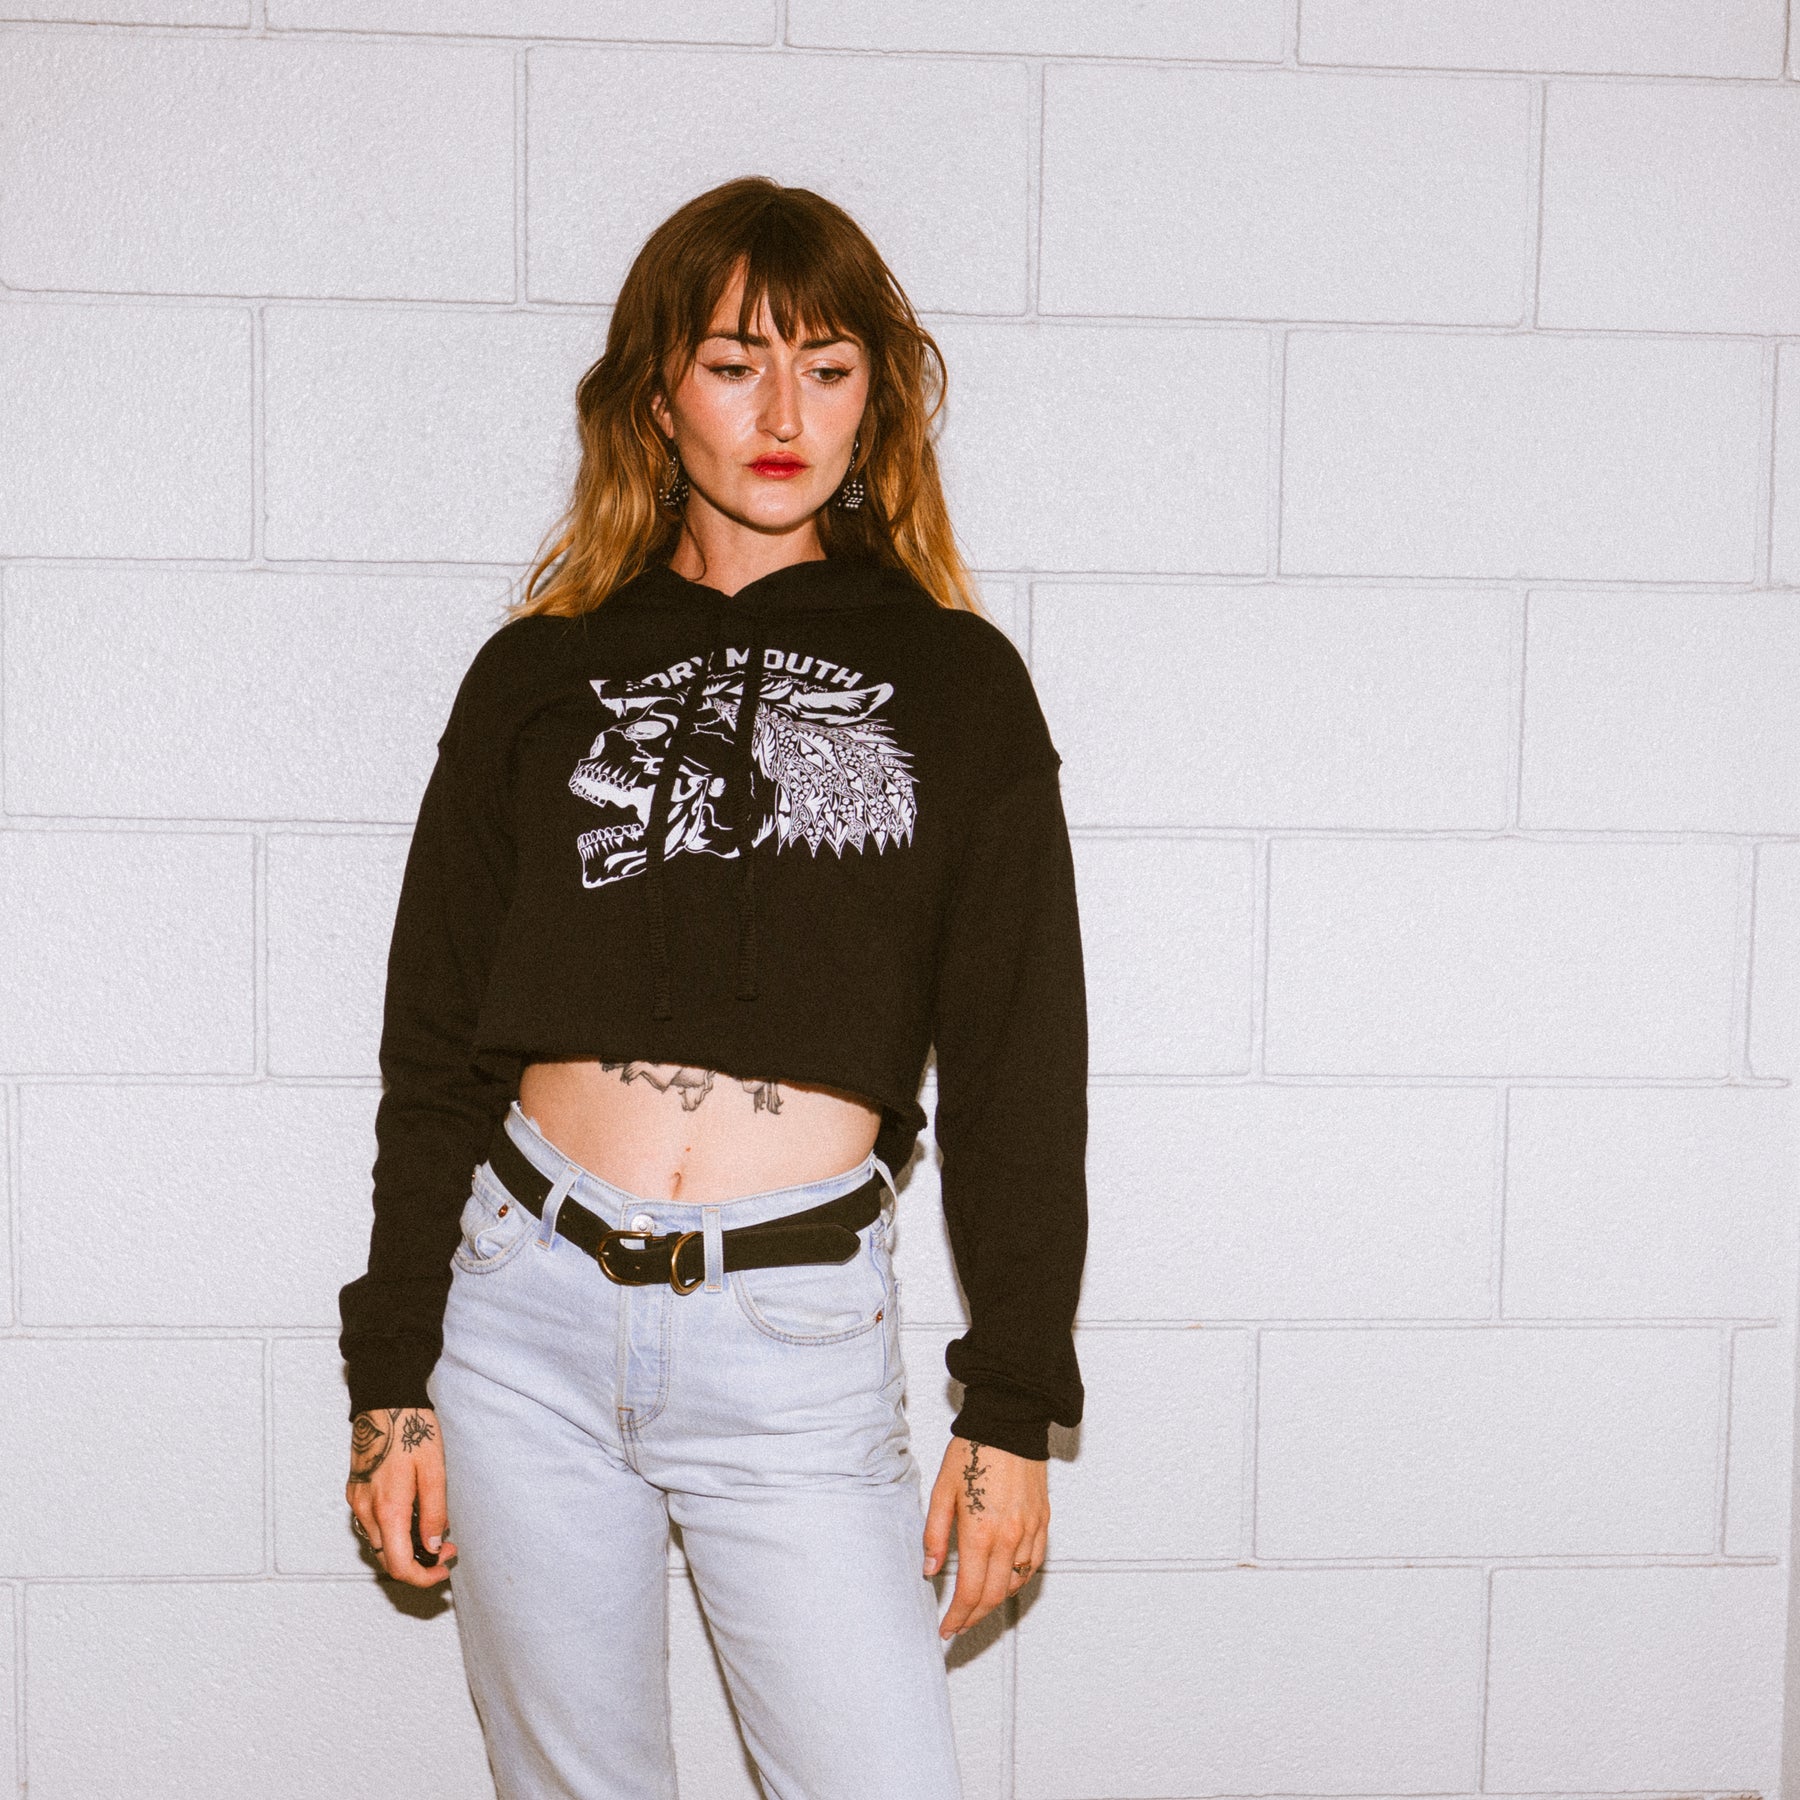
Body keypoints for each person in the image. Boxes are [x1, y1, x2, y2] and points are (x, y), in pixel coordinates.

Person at [337, 175, 1089, 1800]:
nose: (783, 414)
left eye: (828, 367)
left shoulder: (956, 684)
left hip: (792, 1334)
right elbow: (434, 1040)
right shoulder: (539, 671)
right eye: (737, 364)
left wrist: (1013, 1402)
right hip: (522, 1319)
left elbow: (1021, 1062)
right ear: (657, 393)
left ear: (876, 401)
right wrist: (392, 1374)